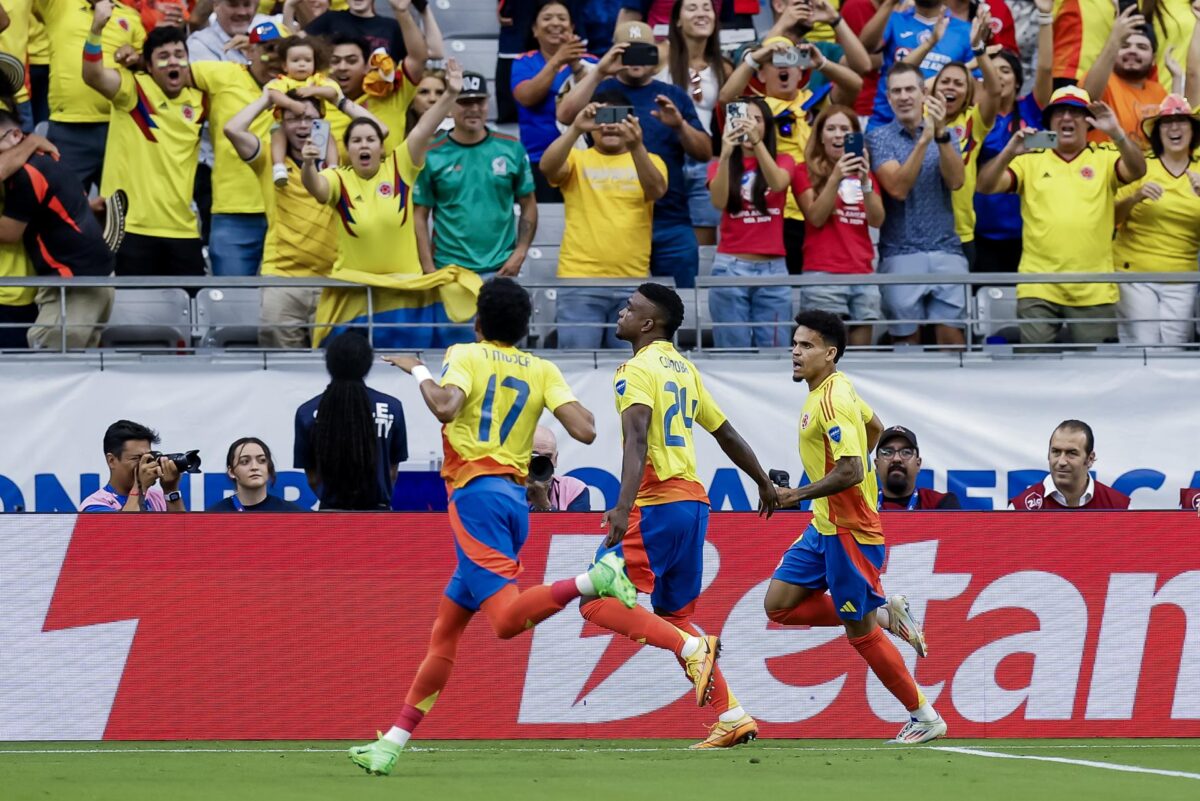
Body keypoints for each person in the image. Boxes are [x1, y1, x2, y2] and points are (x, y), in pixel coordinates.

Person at [346, 277, 637, 776]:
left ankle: (596, 579)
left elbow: (444, 405)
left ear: (478, 321)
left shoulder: (467, 353)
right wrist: (553, 395)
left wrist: (416, 368)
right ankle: (391, 743)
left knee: (503, 622)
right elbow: (586, 430)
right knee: (446, 630)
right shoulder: (542, 369)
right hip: (512, 502)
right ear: (525, 329)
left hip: (476, 494)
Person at [573, 283, 780, 749]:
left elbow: (638, 437)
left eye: (630, 308)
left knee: (594, 601)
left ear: (649, 323)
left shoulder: (633, 369)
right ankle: (732, 714)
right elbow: (725, 433)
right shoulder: (684, 369)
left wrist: (622, 507)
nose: (621, 312)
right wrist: (762, 480)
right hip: (694, 508)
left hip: (658, 504)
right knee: (674, 614)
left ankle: (693, 649)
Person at [766, 309, 945, 744]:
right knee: (779, 606)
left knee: (858, 634)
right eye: (794, 343)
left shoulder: (831, 399)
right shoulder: (833, 389)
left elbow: (848, 470)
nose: (795, 351)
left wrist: (796, 494)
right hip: (825, 525)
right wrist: (840, 483)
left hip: (850, 531)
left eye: (806, 345)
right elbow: (876, 430)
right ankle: (884, 611)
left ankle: (924, 715)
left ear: (830, 354)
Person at [300, 61, 467, 348]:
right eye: (356, 141)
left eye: (370, 139)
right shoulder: (338, 178)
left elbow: (424, 128)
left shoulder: (401, 166)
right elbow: (315, 187)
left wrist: (450, 94)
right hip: (355, 298)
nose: (364, 145)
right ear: (347, 149)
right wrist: (306, 164)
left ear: (380, 146)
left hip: (404, 298)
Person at [977, 86, 1146, 346]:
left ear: (1088, 122)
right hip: (1038, 286)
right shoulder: (1031, 158)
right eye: (1060, 112)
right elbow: (985, 186)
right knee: (1036, 366)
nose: (1067, 118)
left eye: (1076, 113)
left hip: (1094, 288)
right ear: (1049, 122)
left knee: (1097, 372)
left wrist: (1117, 133)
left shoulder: (1105, 155)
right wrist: (1009, 151)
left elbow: (1137, 170)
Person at [557, 20, 713, 288]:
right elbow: (565, 115)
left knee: (679, 307)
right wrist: (599, 72)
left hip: (670, 218)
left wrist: (680, 126)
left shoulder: (672, 95)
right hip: (613, 221)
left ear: (655, 54)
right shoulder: (600, 91)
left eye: (644, 51)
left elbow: (704, 152)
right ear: (615, 52)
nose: (636, 59)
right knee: (623, 310)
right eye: (628, 51)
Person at [718, 29, 864, 274]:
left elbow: (855, 85)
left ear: (801, 71)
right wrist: (756, 57)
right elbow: (725, 98)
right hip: (776, 209)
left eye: (791, 60)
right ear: (761, 75)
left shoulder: (816, 102)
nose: (783, 66)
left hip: (817, 202)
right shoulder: (756, 111)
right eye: (774, 61)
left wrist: (823, 63)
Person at [82, 6, 207, 278]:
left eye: (179, 55)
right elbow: (93, 75)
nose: (173, 62)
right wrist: (96, 31)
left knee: (191, 317)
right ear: (148, 66)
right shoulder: (133, 90)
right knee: (134, 316)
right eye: (163, 57)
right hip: (130, 228)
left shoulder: (201, 101)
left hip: (183, 230)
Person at [541, 96, 667, 349]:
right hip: (579, 281)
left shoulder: (651, 159)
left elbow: (656, 190)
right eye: (602, 119)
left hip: (633, 284)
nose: (610, 126)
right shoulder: (577, 158)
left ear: (632, 122)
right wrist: (575, 128)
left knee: (630, 374)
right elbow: (547, 167)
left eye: (618, 119)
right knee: (577, 367)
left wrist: (637, 145)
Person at [225, 89, 346, 348]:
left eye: (310, 118)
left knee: (334, 367)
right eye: (294, 118)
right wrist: (268, 99)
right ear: (281, 123)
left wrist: (338, 99)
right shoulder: (268, 157)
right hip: (282, 279)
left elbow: (380, 132)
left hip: (333, 279)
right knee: (281, 368)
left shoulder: (341, 158)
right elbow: (232, 129)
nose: (303, 125)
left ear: (323, 121)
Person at [866, 62, 967, 347]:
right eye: (896, 91)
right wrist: (925, 140)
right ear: (888, 98)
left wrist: (941, 134)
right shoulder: (878, 138)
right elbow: (897, 188)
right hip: (900, 251)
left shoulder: (947, 134)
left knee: (952, 337)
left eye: (910, 89)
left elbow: (956, 181)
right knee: (906, 339)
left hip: (947, 247)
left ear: (924, 93)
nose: (903, 96)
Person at [0, 114, 115, 350]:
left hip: (74, 283)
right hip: (89, 279)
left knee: (49, 364)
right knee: (78, 370)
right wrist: (32, 141)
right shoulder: (42, 157)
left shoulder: (27, 172)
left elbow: (9, 233)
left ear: (15, 136)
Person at [414, 72, 538, 279]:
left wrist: (520, 251)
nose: (474, 109)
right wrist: (428, 269)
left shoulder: (512, 148)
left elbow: (529, 202)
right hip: (449, 270)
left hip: (502, 269)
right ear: (450, 106)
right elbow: (419, 214)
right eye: (465, 102)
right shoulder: (431, 154)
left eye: (479, 101)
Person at [188, 21, 283, 278]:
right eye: (267, 48)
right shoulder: (223, 74)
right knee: (231, 305)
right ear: (249, 51)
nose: (274, 57)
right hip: (233, 212)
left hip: (288, 211)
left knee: (286, 305)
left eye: (281, 50)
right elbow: (169, 72)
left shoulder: (304, 83)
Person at [973, 1, 1056, 274]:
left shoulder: (1033, 109)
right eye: (993, 71)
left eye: (1006, 71)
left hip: (1029, 231)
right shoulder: (978, 118)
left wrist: (1045, 16)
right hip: (983, 230)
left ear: (1018, 81)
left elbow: (1044, 69)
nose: (999, 76)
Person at [705, 96, 794, 348]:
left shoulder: (784, 159)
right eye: (743, 118)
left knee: (776, 351)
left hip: (773, 269)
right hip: (730, 267)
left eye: (756, 119)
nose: (749, 124)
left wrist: (756, 142)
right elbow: (719, 202)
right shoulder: (720, 165)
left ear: (767, 125)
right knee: (732, 351)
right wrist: (724, 155)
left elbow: (777, 183)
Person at [1112, 94, 1200, 346]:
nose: (1174, 128)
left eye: (1182, 121)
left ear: (1193, 130)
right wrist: (1135, 197)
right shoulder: (1140, 166)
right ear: (1158, 132)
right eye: (1166, 122)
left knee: (1174, 349)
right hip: (1135, 273)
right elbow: (1109, 218)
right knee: (1144, 346)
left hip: (1182, 277)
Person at [914, 11, 999, 268]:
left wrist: (978, 50)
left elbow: (994, 91)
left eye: (958, 84)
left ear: (968, 93)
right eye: (945, 82)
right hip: (918, 232)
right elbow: (903, 79)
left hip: (960, 233)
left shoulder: (974, 122)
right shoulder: (917, 115)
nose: (950, 87)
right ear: (933, 87)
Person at [795, 104, 885, 347]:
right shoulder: (803, 171)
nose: (838, 134)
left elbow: (877, 220)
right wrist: (836, 177)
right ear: (820, 136)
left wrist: (865, 180)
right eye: (831, 128)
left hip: (862, 271)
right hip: (823, 273)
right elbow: (815, 217)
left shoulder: (865, 173)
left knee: (862, 356)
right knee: (825, 358)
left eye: (845, 129)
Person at [40, 0, 146, 192]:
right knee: (64, 207)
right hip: (69, 127)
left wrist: (136, 59)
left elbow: (147, 71)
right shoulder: (58, 4)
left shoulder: (131, 16)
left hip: (119, 127)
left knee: (120, 210)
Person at [294, 331, 408, 510]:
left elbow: (313, 478)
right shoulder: (392, 408)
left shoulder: (307, 412)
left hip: (331, 517)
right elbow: (392, 472)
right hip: (379, 514)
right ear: (368, 364)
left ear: (329, 363)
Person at [511, 0, 598, 202]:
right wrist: (557, 60)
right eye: (547, 18)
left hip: (586, 159)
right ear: (535, 29)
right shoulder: (523, 61)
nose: (555, 23)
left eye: (562, 18)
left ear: (572, 27)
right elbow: (527, 98)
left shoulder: (593, 62)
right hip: (537, 159)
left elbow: (601, 101)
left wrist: (576, 66)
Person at [660, 0, 728, 246]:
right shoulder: (660, 55)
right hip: (664, 158)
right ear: (677, 20)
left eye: (706, 7)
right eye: (692, 7)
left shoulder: (723, 66)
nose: (701, 13)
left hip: (703, 162)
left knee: (704, 245)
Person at [1081, 6, 1186, 148]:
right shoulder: (1103, 81)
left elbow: (1175, 133)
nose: (1132, 51)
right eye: (1124, 45)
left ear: (1154, 58)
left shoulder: (1158, 91)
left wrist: (1177, 79)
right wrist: (1114, 39)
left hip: (1150, 168)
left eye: (1142, 47)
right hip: (1107, 166)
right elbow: (1088, 99)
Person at [860, 0, 974, 129]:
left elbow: (974, 90)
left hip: (936, 127)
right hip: (885, 123)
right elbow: (865, 47)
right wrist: (889, 3)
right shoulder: (894, 19)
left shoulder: (965, 31)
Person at [326, 32, 425, 156]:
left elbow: (418, 58)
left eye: (351, 61)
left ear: (367, 66)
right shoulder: (318, 104)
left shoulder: (390, 92)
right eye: (335, 61)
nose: (342, 67)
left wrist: (403, 12)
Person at [265, 36, 343, 185]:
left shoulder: (317, 80)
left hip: (314, 124)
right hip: (286, 125)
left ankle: (333, 167)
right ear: (285, 65)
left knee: (328, 134)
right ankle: (279, 167)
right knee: (277, 132)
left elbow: (333, 92)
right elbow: (273, 94)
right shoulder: (283, 81)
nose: (302, 65)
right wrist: (291, 105)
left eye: (307, 60)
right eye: (295, 61)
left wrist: (313, 91)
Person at [1009, 420, 1131, 510]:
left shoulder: (1119, 506)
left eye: (1071, 453)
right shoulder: (1020, 508)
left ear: (1090, 459)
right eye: (1056, 452)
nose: (1061, 461)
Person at [79, 419, 187, 513]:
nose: (145, 465)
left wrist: (170, 490)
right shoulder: (94, 506)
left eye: (149, 457)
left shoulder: (158, 498)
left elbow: (181, 534)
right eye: (136, 458)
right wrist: (140, 486)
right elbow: (125, 532)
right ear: (111, 460)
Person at [206, 437, 307, 512]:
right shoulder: (215, 515)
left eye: (262, 460)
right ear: (231, 472)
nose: (254, 467)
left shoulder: (291, 513)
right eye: (245, 461)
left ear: (269, 467)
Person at [874, 425, 961, 510]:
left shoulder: (940, 503)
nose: (897, 459)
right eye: (887, 452)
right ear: (876, 465)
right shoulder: (863, 505)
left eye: (906, 452)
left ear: (918, 464)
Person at [304, 0, 414, 59]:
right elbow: (295, 42)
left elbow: (430, 53)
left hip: (380, 94)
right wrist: (290, 6)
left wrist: (424, 10)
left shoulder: (392, 26)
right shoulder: (330, 18)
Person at [527, 425, 590, 511]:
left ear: (555, 459)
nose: (541, 463)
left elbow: (578, 524)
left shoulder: (573, 490)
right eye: (534, 456)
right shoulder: (508, 490)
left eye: (547, 456)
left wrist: (545, 505)